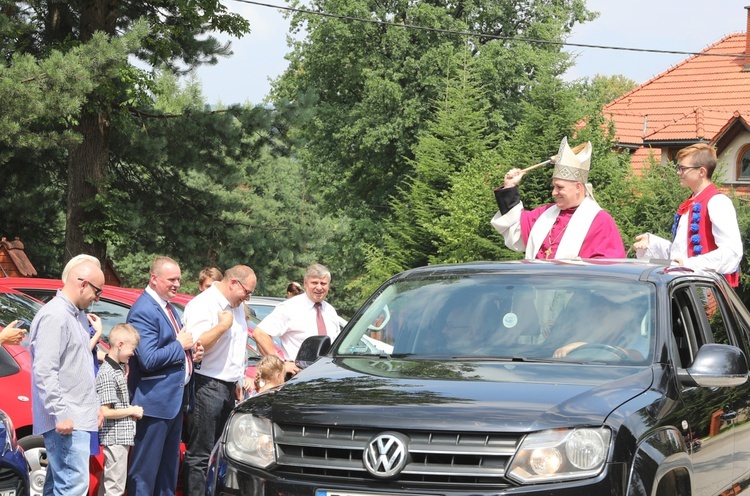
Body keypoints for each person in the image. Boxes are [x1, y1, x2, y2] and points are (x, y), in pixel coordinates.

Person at [126, 256, 204, 496]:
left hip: (172, 403)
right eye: (171, 279)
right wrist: (180, 346)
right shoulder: (144, 310)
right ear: (154, 278)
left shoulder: (167, 307)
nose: (177, 284)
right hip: (153, 405)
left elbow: (171, 348)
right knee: (145, 474)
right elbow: (148, 359)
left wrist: (192, 354)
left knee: (167, 473)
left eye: (179, 279)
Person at [29, 258, 104, 495]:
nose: (98, 298)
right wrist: (60, 413)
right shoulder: (55, 315)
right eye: (97, 290)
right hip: (66, 420)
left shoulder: (75, 315)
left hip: (77, 416)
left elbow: (78, 365)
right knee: (72, 487)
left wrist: (95, 406)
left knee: (58, 487)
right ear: (83, 284)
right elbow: (44, 370)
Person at [182, 265, 257, 496]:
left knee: (221, 453)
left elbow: (236, 349)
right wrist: (223, 325)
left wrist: (237, 380)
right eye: (247, 292)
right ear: (233, 283)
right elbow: (197, 343)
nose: (248, 297)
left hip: (227, 387)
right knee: (200, 454)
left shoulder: (235, 306)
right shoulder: (204, 304)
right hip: (206, 384)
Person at [491, 137, 626, 259]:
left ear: (578, 187)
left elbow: (609, 267)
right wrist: (509, 187)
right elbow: (515, 230)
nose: (554, 193)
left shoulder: (599, 221)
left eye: (559, 187)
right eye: (553, 187)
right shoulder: (545, 214)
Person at [633, 143, 742, 286]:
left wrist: (689, 264)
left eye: (683, 168)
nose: (678, 172)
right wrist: (652, 243)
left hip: (705, 289)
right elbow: (680, 255)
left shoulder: (718, 202)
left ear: (701, 172)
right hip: (684, 286)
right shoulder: (690, 203)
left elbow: (732, 253)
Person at [254, 264, 341, 376]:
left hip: (325, 376)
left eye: (323, 283)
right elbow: (260, 333)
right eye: (314, 283)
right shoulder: (290, 308)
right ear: (305, 283)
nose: (319, 287)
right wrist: (280, 365)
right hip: (298, 377)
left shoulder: (330, 311)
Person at [96, 323, 144, 496]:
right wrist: (131, 410)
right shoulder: (108, 373)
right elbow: (106, 411)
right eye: (132, 349)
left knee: (111, 484)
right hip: (115, 437)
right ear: (120, 344)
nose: (133, 353)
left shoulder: (116, 369)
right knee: (115, 487)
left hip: (120, 436)